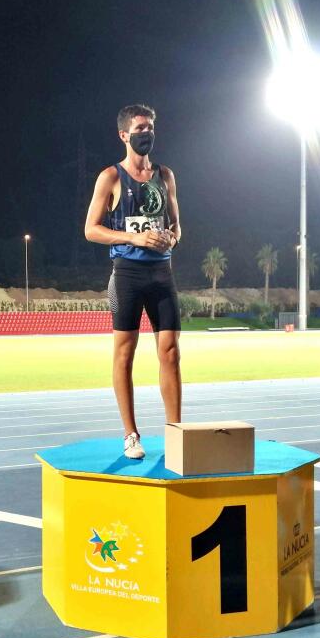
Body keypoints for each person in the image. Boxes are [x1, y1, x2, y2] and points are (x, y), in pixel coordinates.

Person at [83, 104, 183, 459]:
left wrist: (171, 238)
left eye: (151, 127)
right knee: (125, 353)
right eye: (140, 128)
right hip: (127, 273)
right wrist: (133, 238)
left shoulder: (165, 175)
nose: (148, 133)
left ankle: (175, 432)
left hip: (162, 272)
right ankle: (131, 434)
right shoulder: (110, 177)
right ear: (124, 134)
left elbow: (177, 225)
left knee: (170, 352)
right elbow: (91, 230)